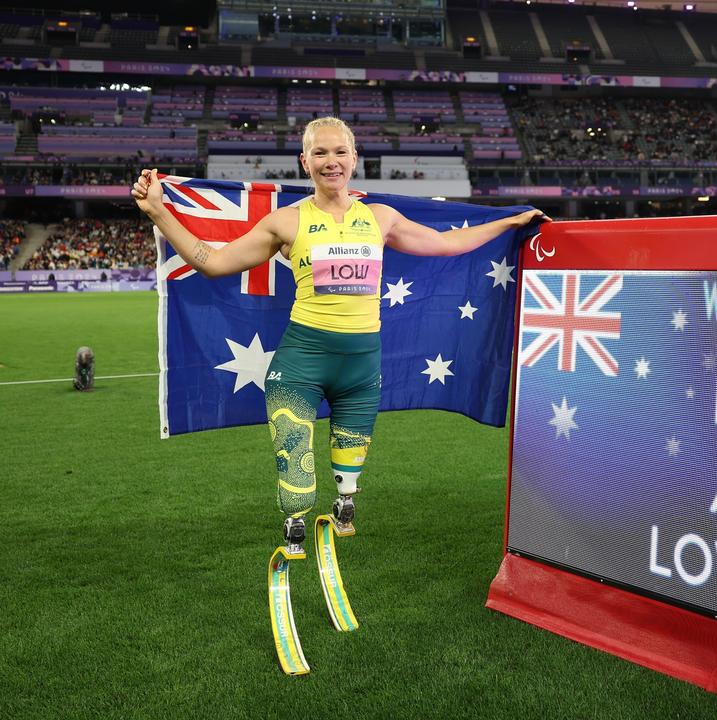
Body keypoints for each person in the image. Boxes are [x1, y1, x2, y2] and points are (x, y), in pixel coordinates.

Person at [133, 116, 546, 558]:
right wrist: (158, 211)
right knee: (295, 471)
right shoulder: (285, 223)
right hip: (300, 364)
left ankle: (345, 501)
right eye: (320, 153)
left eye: (339, 152)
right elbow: (212, 262)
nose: (331, 162)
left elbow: (447, 244)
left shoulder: (381, 218)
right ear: (304, 161)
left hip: (362, 369)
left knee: (350, 469)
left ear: (354, 158)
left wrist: (508, 224)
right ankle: (294, 523)